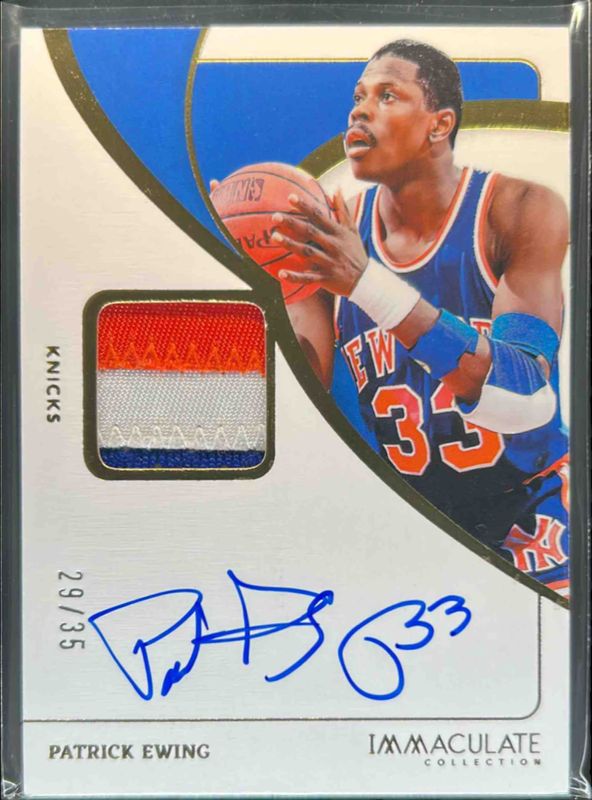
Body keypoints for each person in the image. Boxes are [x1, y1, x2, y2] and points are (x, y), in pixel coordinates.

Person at [269, 39, 569, 597]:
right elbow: (298, 397)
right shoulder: (332, 236)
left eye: (387, 95)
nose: (361, 111)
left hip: (529, 509)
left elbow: (524, 399)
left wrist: (367, 284)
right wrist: (268, 273)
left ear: (440, 124)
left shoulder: (518, 210)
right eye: (358, 97)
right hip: (415, 516)